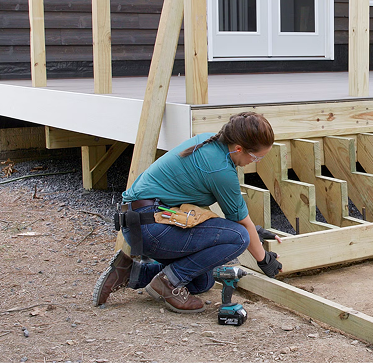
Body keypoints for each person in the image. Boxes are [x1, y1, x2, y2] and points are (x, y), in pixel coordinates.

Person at [93, 112, 283, 313]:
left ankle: (131, 272)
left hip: (140, 223)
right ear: (239, 148)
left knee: (202, 282)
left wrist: (256, 231)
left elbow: (209, 214)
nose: (258, 162)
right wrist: (265, 260)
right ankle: (170, 283)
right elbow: (241, 227)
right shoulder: (220, 170)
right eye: (257, 157)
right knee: (239, 237)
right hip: (151, 227)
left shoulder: (210, 143)